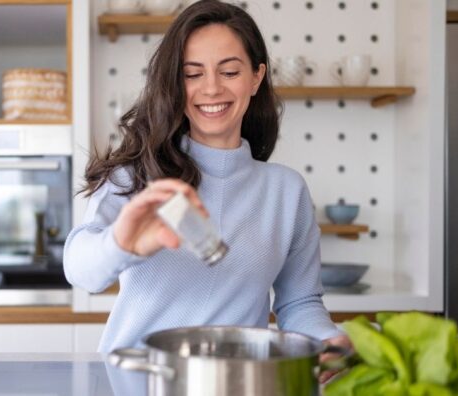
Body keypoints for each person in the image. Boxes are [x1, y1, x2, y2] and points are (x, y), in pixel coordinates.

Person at [63, 0, 349, 378]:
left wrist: (327, 339)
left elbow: (300, 302)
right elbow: (80, 271)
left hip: (238, 384)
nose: (211, 88)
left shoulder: (286, 190)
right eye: (192, 74)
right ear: (174, 84)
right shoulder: (138, 178)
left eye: (229, 71)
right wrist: (121, 243)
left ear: (256, 77)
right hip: (139, 383)